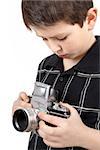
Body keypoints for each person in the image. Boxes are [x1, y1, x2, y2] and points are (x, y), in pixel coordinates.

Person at [12, 0, 100, 150]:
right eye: (44, 38)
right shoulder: (46, 66)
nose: (54, 48)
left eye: (61, 38)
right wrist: (26, 112)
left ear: (90, 19)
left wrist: (84, 137)